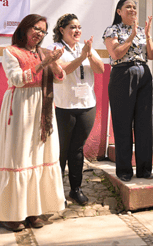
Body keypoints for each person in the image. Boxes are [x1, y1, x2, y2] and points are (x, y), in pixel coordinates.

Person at [0, 14, 66, 232]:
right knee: (19, 157)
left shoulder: (44, 53)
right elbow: (16, 79)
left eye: (43, 31)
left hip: (42, 107)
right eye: (36, 28)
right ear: (25, 28)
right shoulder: (10, 51)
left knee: (40, 155)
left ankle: (34, 210)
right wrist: (43, 63)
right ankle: (11, 214)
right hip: (21, 108)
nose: (40, 34)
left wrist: (52, 62)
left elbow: (60, 77)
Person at [51, 14, 104, 205]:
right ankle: (56, 194)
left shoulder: (86, 48)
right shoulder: (55, 49)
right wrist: (82, 56)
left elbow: (100, 70)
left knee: (77, 149)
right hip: (64, 106)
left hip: (87, 105)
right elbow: (61, 71)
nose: (77, 31)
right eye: (72, 27)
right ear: (62, 30)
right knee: (62, 151)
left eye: (79, 27)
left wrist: (89, 55)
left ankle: (75, 189)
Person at [103, 0, 153, 182]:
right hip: (123, 74)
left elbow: (151, 55)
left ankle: (144, 169)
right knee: (123, 123)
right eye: (128, 7)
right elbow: (116, 53)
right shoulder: (112, 30)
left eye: (134, 7)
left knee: (144, 123)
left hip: (143, 73)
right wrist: (132, 36)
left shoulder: (141, 30)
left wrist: (147, 36)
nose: (133, 10)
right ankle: (124, 170)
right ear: (119, 11)